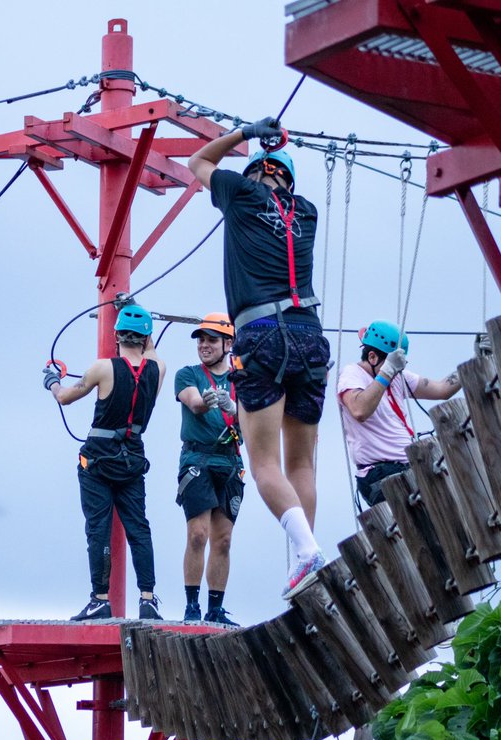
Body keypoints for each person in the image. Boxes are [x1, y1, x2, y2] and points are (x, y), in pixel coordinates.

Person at [189, 118, 331, 600]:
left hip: (262, 335)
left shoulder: (240, 195)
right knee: (302, 465)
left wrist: (244, 134)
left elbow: (199, 162)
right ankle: (302, 563)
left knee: (264, 462)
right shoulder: (307, 212)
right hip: (311, 336)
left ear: (252, 173)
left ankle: (308, 553)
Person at [43, 303, 167, 621]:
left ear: (115, 335)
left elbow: (65, 397)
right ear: (146, 337)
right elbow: (149, 351)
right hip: (132, 458)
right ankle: (148, 599)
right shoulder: (158, 369)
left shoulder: (103, 368)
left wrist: (52, 381)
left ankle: (100, 599)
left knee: (98, 528)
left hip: (98, 458)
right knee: (138, 527)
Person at [337, 320, 462, 506]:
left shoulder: (394, 375)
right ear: (372, 357)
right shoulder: (352, 374)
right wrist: (388, 371)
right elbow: (359, 409)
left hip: (407, 466)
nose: (399, 370)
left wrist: (473, 361)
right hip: (379, 474)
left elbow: (442, 390)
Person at [174, 313, 244, 626]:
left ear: (227, 344)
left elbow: (256, 420)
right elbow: (193, 403)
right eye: (201, 339)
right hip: (197, 460)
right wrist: (208, 400)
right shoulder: (187, 374)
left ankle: (216, 609)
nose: (204, 345)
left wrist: (234, 407)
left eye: (211, 339)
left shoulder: (243, 379)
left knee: (224, 539)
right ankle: (192, 606)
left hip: (229, 461)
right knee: (198, 534)